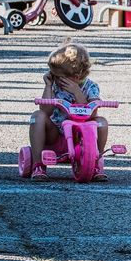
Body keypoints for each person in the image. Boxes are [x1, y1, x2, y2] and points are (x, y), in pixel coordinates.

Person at [27, 42, 109, 182]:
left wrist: (76, 92)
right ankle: (38, 164)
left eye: (57, 76)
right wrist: (48, 86)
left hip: (81, 135)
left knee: (101, 122)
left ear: (76, 77)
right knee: (38, 116)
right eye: (52, 75)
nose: (54, 78)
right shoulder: (54, 85)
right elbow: (46, 110)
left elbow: (92, 113)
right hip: (55, 134)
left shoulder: (90, 87)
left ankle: (96, 162)